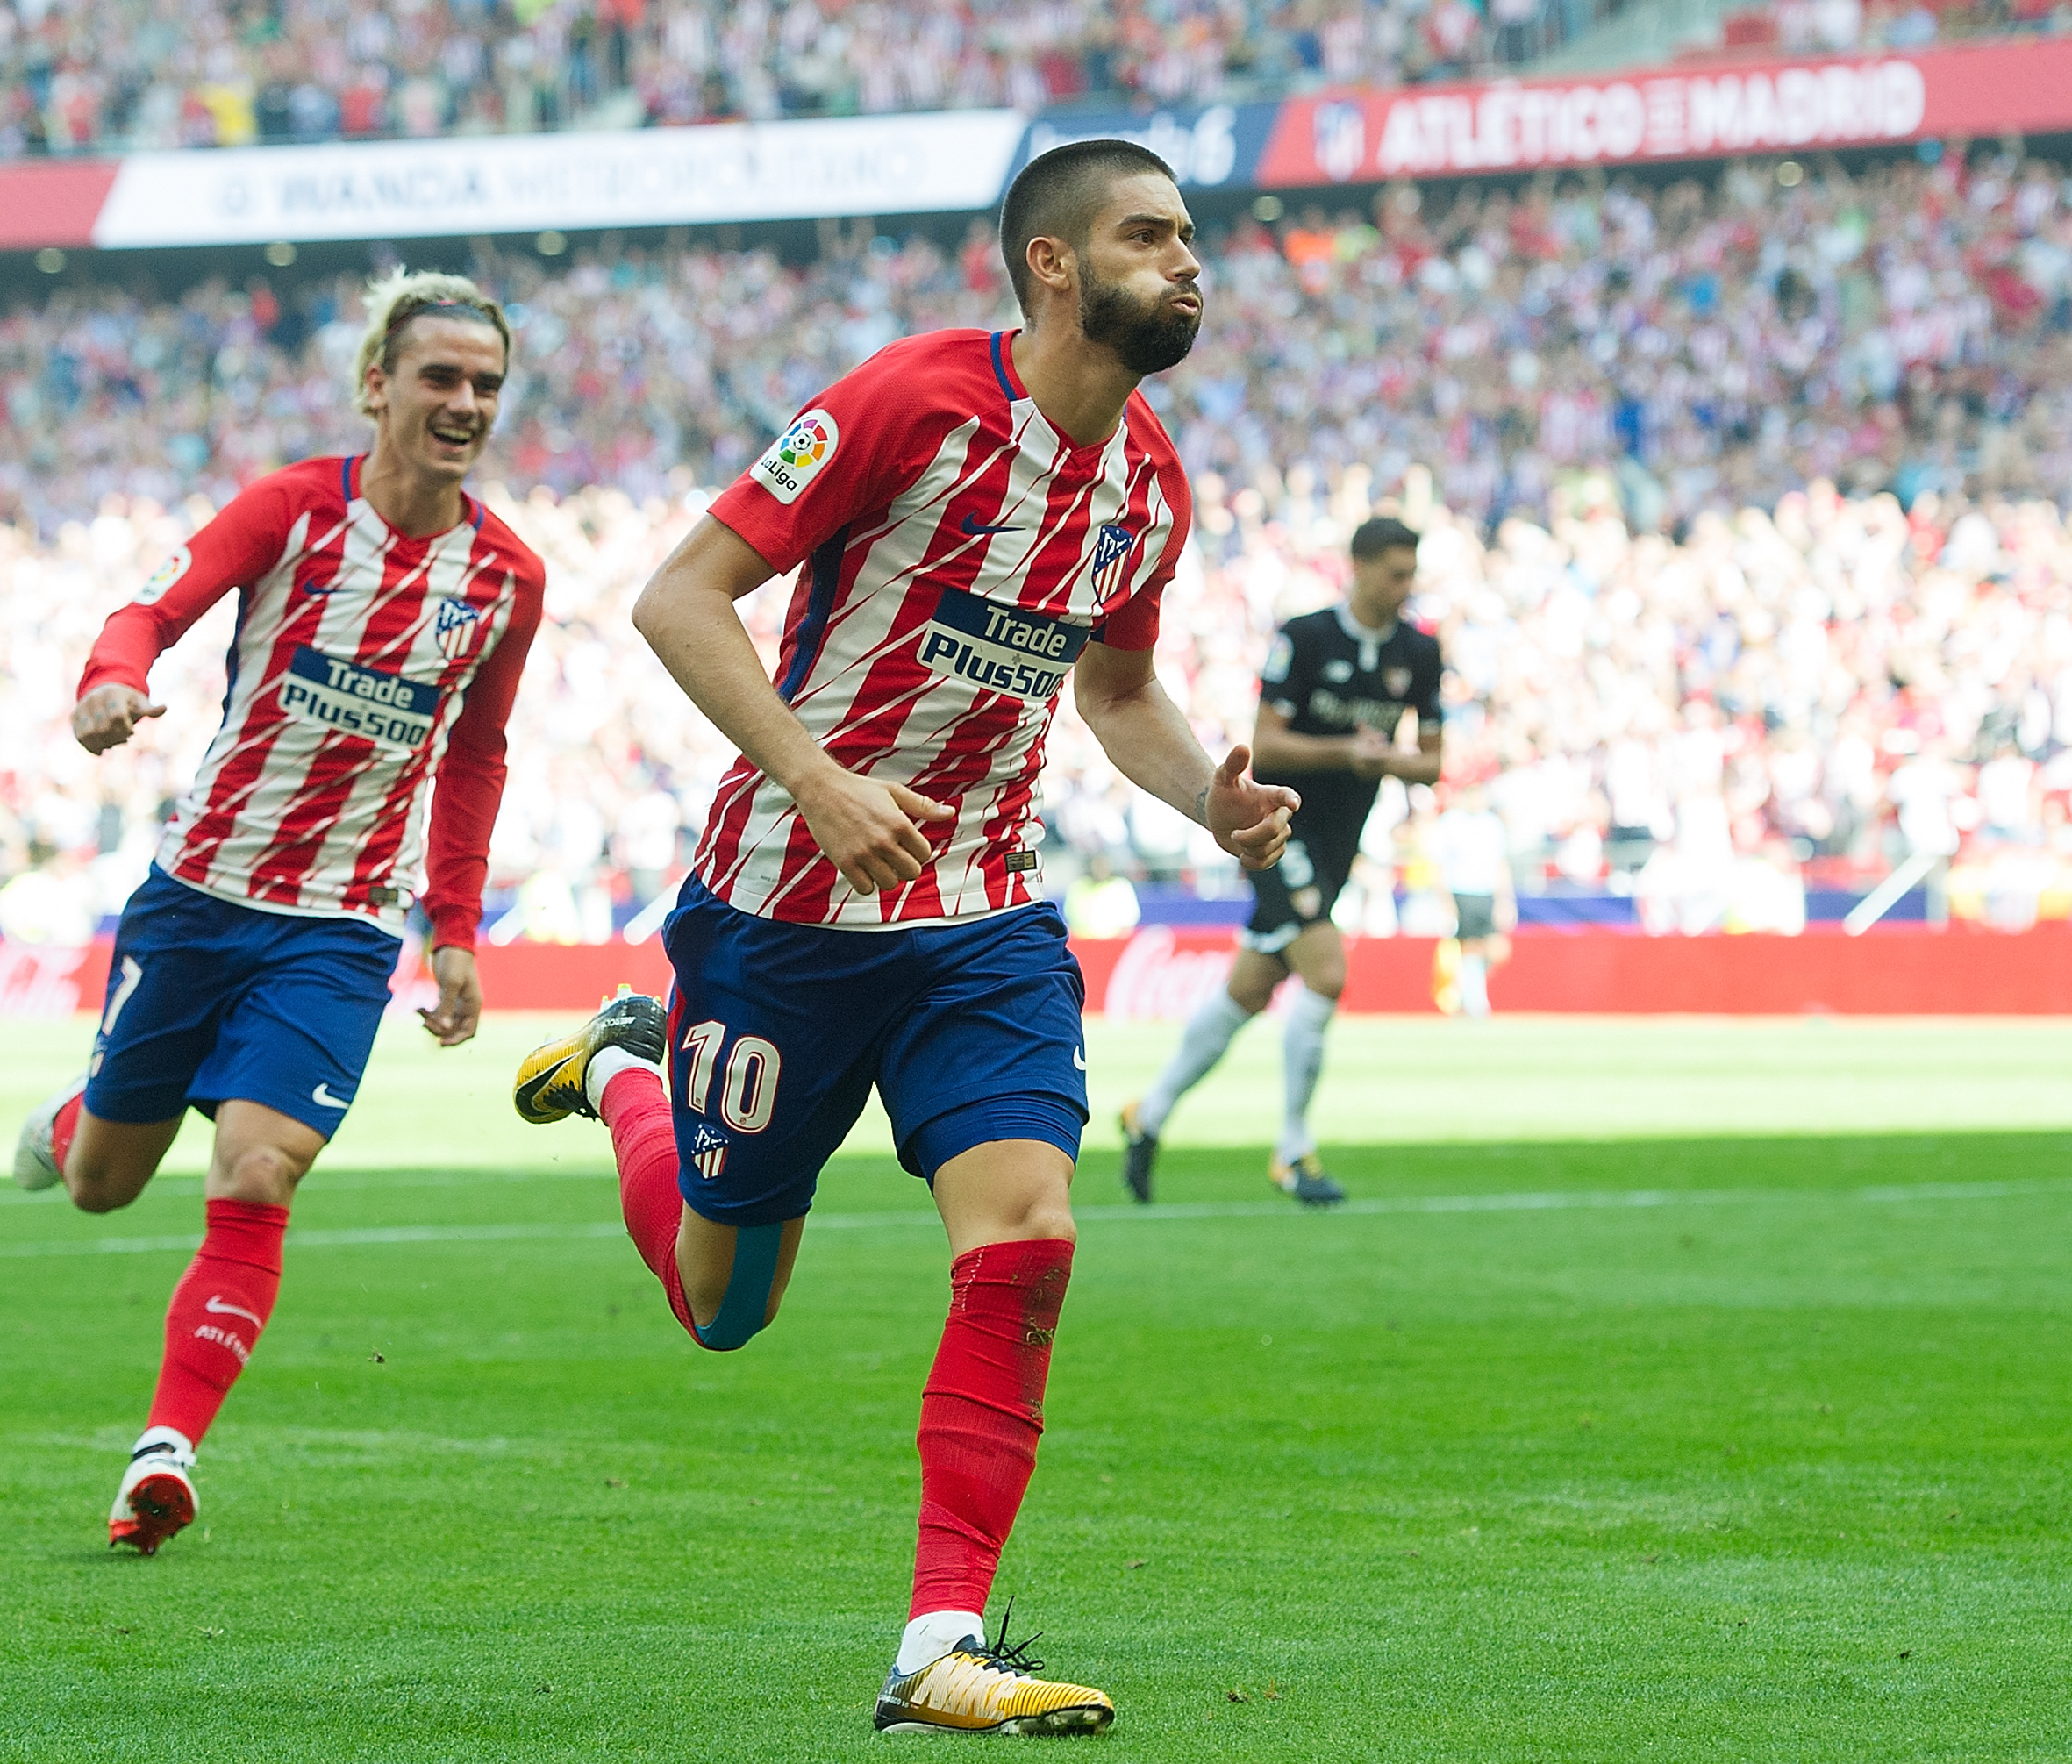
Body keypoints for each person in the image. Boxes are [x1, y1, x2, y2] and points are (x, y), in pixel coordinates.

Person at [511, 139, 1295, 1737]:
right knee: (725, 1305)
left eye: (1194, 235)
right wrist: (814, 775)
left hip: (986, 918)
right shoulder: (904, 400)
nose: (1192, 261)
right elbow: (680, 597)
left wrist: (1205, 802)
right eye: (1152, 234)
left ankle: (939, 1643)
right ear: (1054, 265)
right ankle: (618, 1075)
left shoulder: (1154, 483)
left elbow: (1121, 693)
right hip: (784, 914)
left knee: (1031, 1234)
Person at [4, 268, 547, 1555]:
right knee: (101, 1184)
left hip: (340, 930)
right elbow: (151, 609)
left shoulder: (507, 576)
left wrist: (453, 927)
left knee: (257, 1168)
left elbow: (475, 755)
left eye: (485, 384)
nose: (464, 402)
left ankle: (164, 1449)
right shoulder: (296, 509)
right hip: (199, 896)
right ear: (378, 386)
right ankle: (85, 1114)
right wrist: (107, 682)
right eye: (440, 377)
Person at [1118, 516, 1444, 1206]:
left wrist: (1392, 761)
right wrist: (1348, 754)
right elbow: (1267, 743)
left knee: (1248, 991)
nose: (1406, 586)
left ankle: (1146, 1115)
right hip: (1278, 830)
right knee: (1326, 972)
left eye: (1412, 572)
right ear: (1357, 567)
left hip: (1340, 847)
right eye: (1395, 572)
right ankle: (1293, 1151)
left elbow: (1434, 763)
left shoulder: (1418, 653)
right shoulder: (1305, 637)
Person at [1433, 780, 1515, 1016]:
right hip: (1461, 891)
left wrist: (1505, 899)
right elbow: (1440, 865)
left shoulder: (1492, 824)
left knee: (1497, 949)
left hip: (1486, 892)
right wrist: (1446, 901)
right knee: (1470, 948)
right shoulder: (1450, 822)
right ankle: (1476, 1004)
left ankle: (1465, 991)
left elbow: (1501, 864)